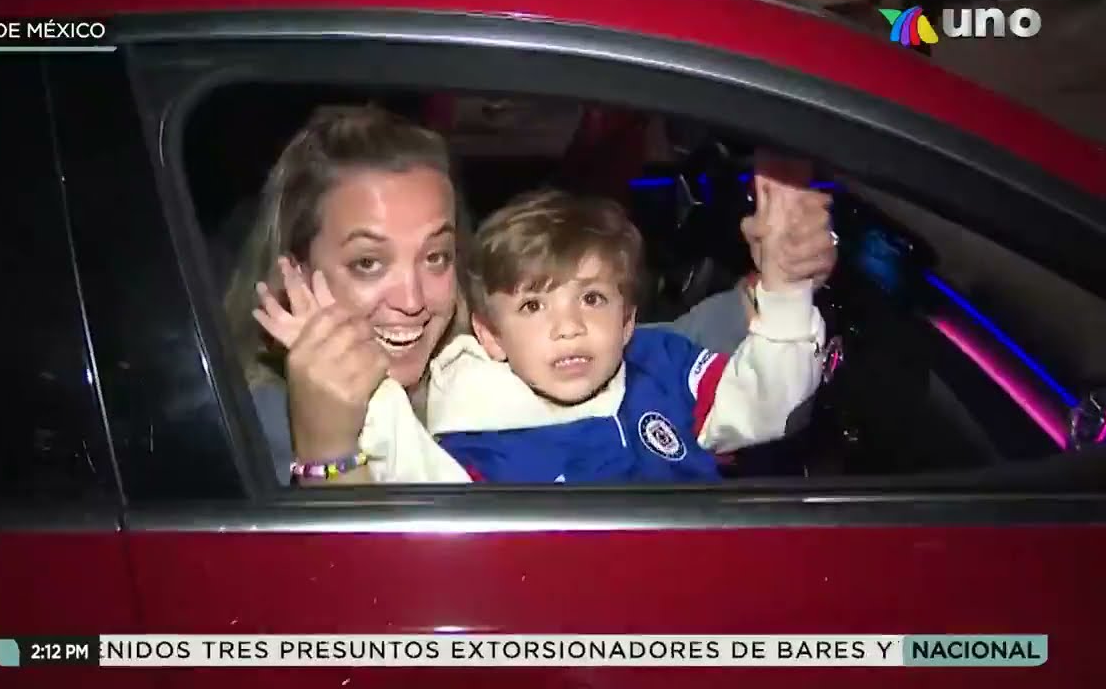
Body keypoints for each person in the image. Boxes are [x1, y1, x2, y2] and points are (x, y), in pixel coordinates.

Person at [224, 105, 838, 485]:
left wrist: (781, 279)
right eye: (367, 262)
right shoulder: (259, 428)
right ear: (299, 271)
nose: (411, 298)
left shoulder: (497, 350)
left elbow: (652, 364)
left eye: (436, 255)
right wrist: (329, 451)